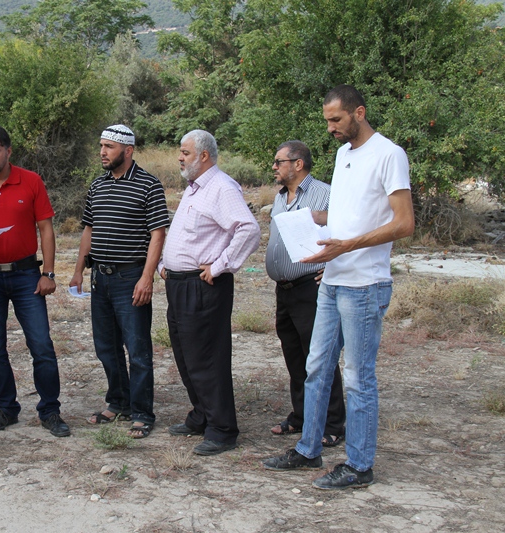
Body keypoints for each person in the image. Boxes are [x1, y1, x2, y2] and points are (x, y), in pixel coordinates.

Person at [263, 85, 414, 489]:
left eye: (336, 119)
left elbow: (404, 223)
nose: (330, 128)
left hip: (364, 284)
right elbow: (352, 213)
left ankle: (360, 466)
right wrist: (318, 220)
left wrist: (346, 245)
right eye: (327, 120)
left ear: (359, 112)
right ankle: (308, 449)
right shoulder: (344, 154)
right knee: (316, 368)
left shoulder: (389, 154)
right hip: (332, 280)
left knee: (358, 378)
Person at [0, 126, 70, 438]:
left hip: (26, 275)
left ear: (8, 151)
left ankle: (50, 411)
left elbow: (46, 228)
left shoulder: (31, 181)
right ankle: (6, 408)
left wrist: (48, 273)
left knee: (41, 345)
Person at [161, 129, 260, 456]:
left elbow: (248, 229)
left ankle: (222, 429)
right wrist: (165, 264)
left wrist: (220, 266)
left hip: (203, 286)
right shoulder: (195, 189)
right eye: (180, 152)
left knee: (206, 358)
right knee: (186, 355)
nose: (180, 157)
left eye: (185, 152)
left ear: (204, 156)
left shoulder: (221, 187)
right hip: (179, 285)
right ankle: (202, 415)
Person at [70, 124, 169, 439]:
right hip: (100, 278)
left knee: (137, 349)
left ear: (128, 150)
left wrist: (146, 277)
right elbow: (89, 229)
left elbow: (157, 234)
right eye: (101, 146)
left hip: (130, 278)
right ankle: (118, 402)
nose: (102, 152)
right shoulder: (98, 185)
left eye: (109, 147)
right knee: (106, 347)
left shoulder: (148, 185)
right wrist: (78, 270)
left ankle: (142, 413)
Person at [265, 140, 346, 446]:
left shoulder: (325, 194)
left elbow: (346, 232)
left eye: (279, 161)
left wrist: (335, 266)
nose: (274, 166)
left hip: (310, 287)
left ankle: (333, 423)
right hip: (284, 290)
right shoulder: (279, 198)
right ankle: (302, 415)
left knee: (319, 356)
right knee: (294, 355)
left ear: (298, 164)